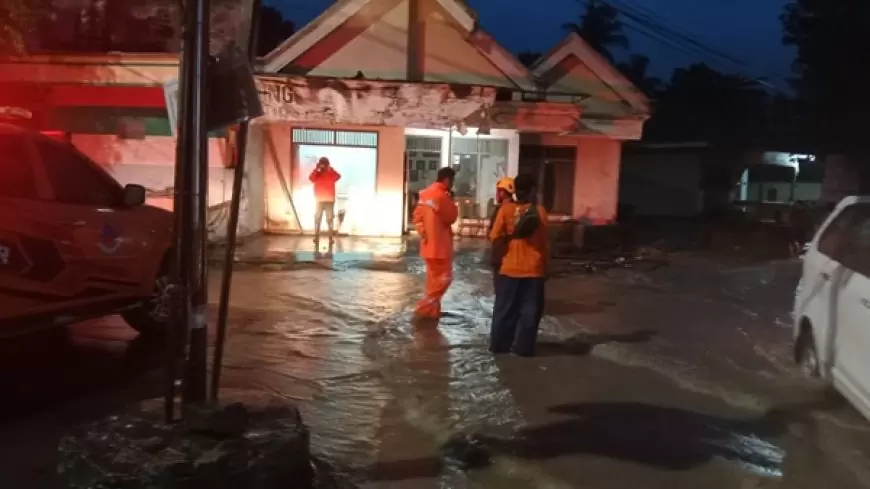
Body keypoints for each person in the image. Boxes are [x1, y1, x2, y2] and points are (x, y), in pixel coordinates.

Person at [488, 173, 548, 357]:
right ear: (532, 190)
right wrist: (547, 267)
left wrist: (497, 261)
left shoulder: (505, 210)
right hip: (533, 271)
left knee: (504, 311)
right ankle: (523, 349)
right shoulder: (539, 212)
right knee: (529, 313)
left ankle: (499, 348)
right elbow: (543, 242)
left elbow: (495, 237)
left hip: (508, 269)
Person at [412, 167, 458, 322]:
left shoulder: (424, 194)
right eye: (452, 180)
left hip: (428, 247)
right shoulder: (442, 196)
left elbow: (416, 218)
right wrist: (451, 201)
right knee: (445, 278)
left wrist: (425, 234)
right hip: (441, 247)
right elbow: (452, 217)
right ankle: (424, 306)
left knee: (433, 282)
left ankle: (431, 314)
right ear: (447, 180)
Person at [488, 177, 515, 286]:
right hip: (512, 256)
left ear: (503, 192)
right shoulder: (517, 208)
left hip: (500, 254)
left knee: (500, 286)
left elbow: (493, 233)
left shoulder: (501, 210)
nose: (497, 194)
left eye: (498, 191)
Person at [309, 157, 341, 242]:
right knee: (319, 219)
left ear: (327, 164)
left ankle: (330, 238)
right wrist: (316, 169)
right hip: (321, 200)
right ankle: (317, 237)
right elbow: (311, 178)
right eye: (321, 164)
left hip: (327, 200)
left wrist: (331, 169)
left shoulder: (331, 173)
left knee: (328, 219)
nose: (323, 166)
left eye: (324, 164)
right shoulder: (317, 173)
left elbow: (338, 176)